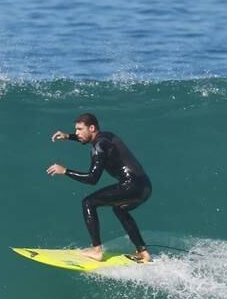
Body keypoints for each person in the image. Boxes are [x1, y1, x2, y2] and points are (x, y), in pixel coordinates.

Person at [47, 113, 152, 263]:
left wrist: (65, 171)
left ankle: (97, 251)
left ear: (91, 128)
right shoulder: (108, 136)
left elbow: (92, 179)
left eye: (79, 129)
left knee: (88, 203)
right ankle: (143, 252)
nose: (77, 133)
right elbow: (86, 138)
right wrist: (68, 136)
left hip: (130, 185)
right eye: (75, 130)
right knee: (119, 208)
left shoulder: (98, 148)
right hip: (144, 186)